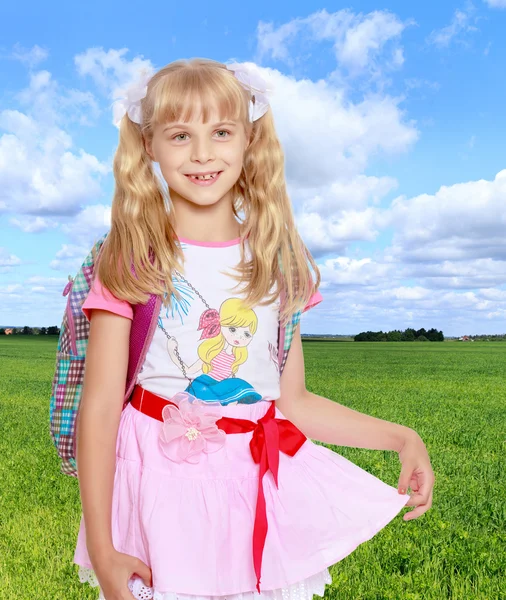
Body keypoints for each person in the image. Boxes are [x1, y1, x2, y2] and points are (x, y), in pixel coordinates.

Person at [73, 58, 434, 600]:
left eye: (220, 132)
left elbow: (295, 403)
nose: (202, 153)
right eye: (179, 135)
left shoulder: (275, 261)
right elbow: (101, 406)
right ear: (149, 145)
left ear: (248, 140)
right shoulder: (131, 258)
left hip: (253, 497)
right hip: (157, 498)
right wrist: (102, 548)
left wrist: (402, 438)